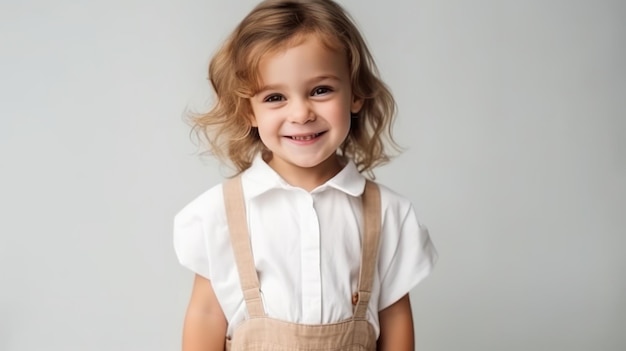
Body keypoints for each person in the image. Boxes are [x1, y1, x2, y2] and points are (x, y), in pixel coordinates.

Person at [173, 0, 437, 350]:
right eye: (275, 97)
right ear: (247, 110)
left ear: (355, 93)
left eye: (320, 90)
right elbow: (206, 314)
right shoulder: (217, 214)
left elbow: (396, 318)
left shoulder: (388, 214)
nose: (300, 113)